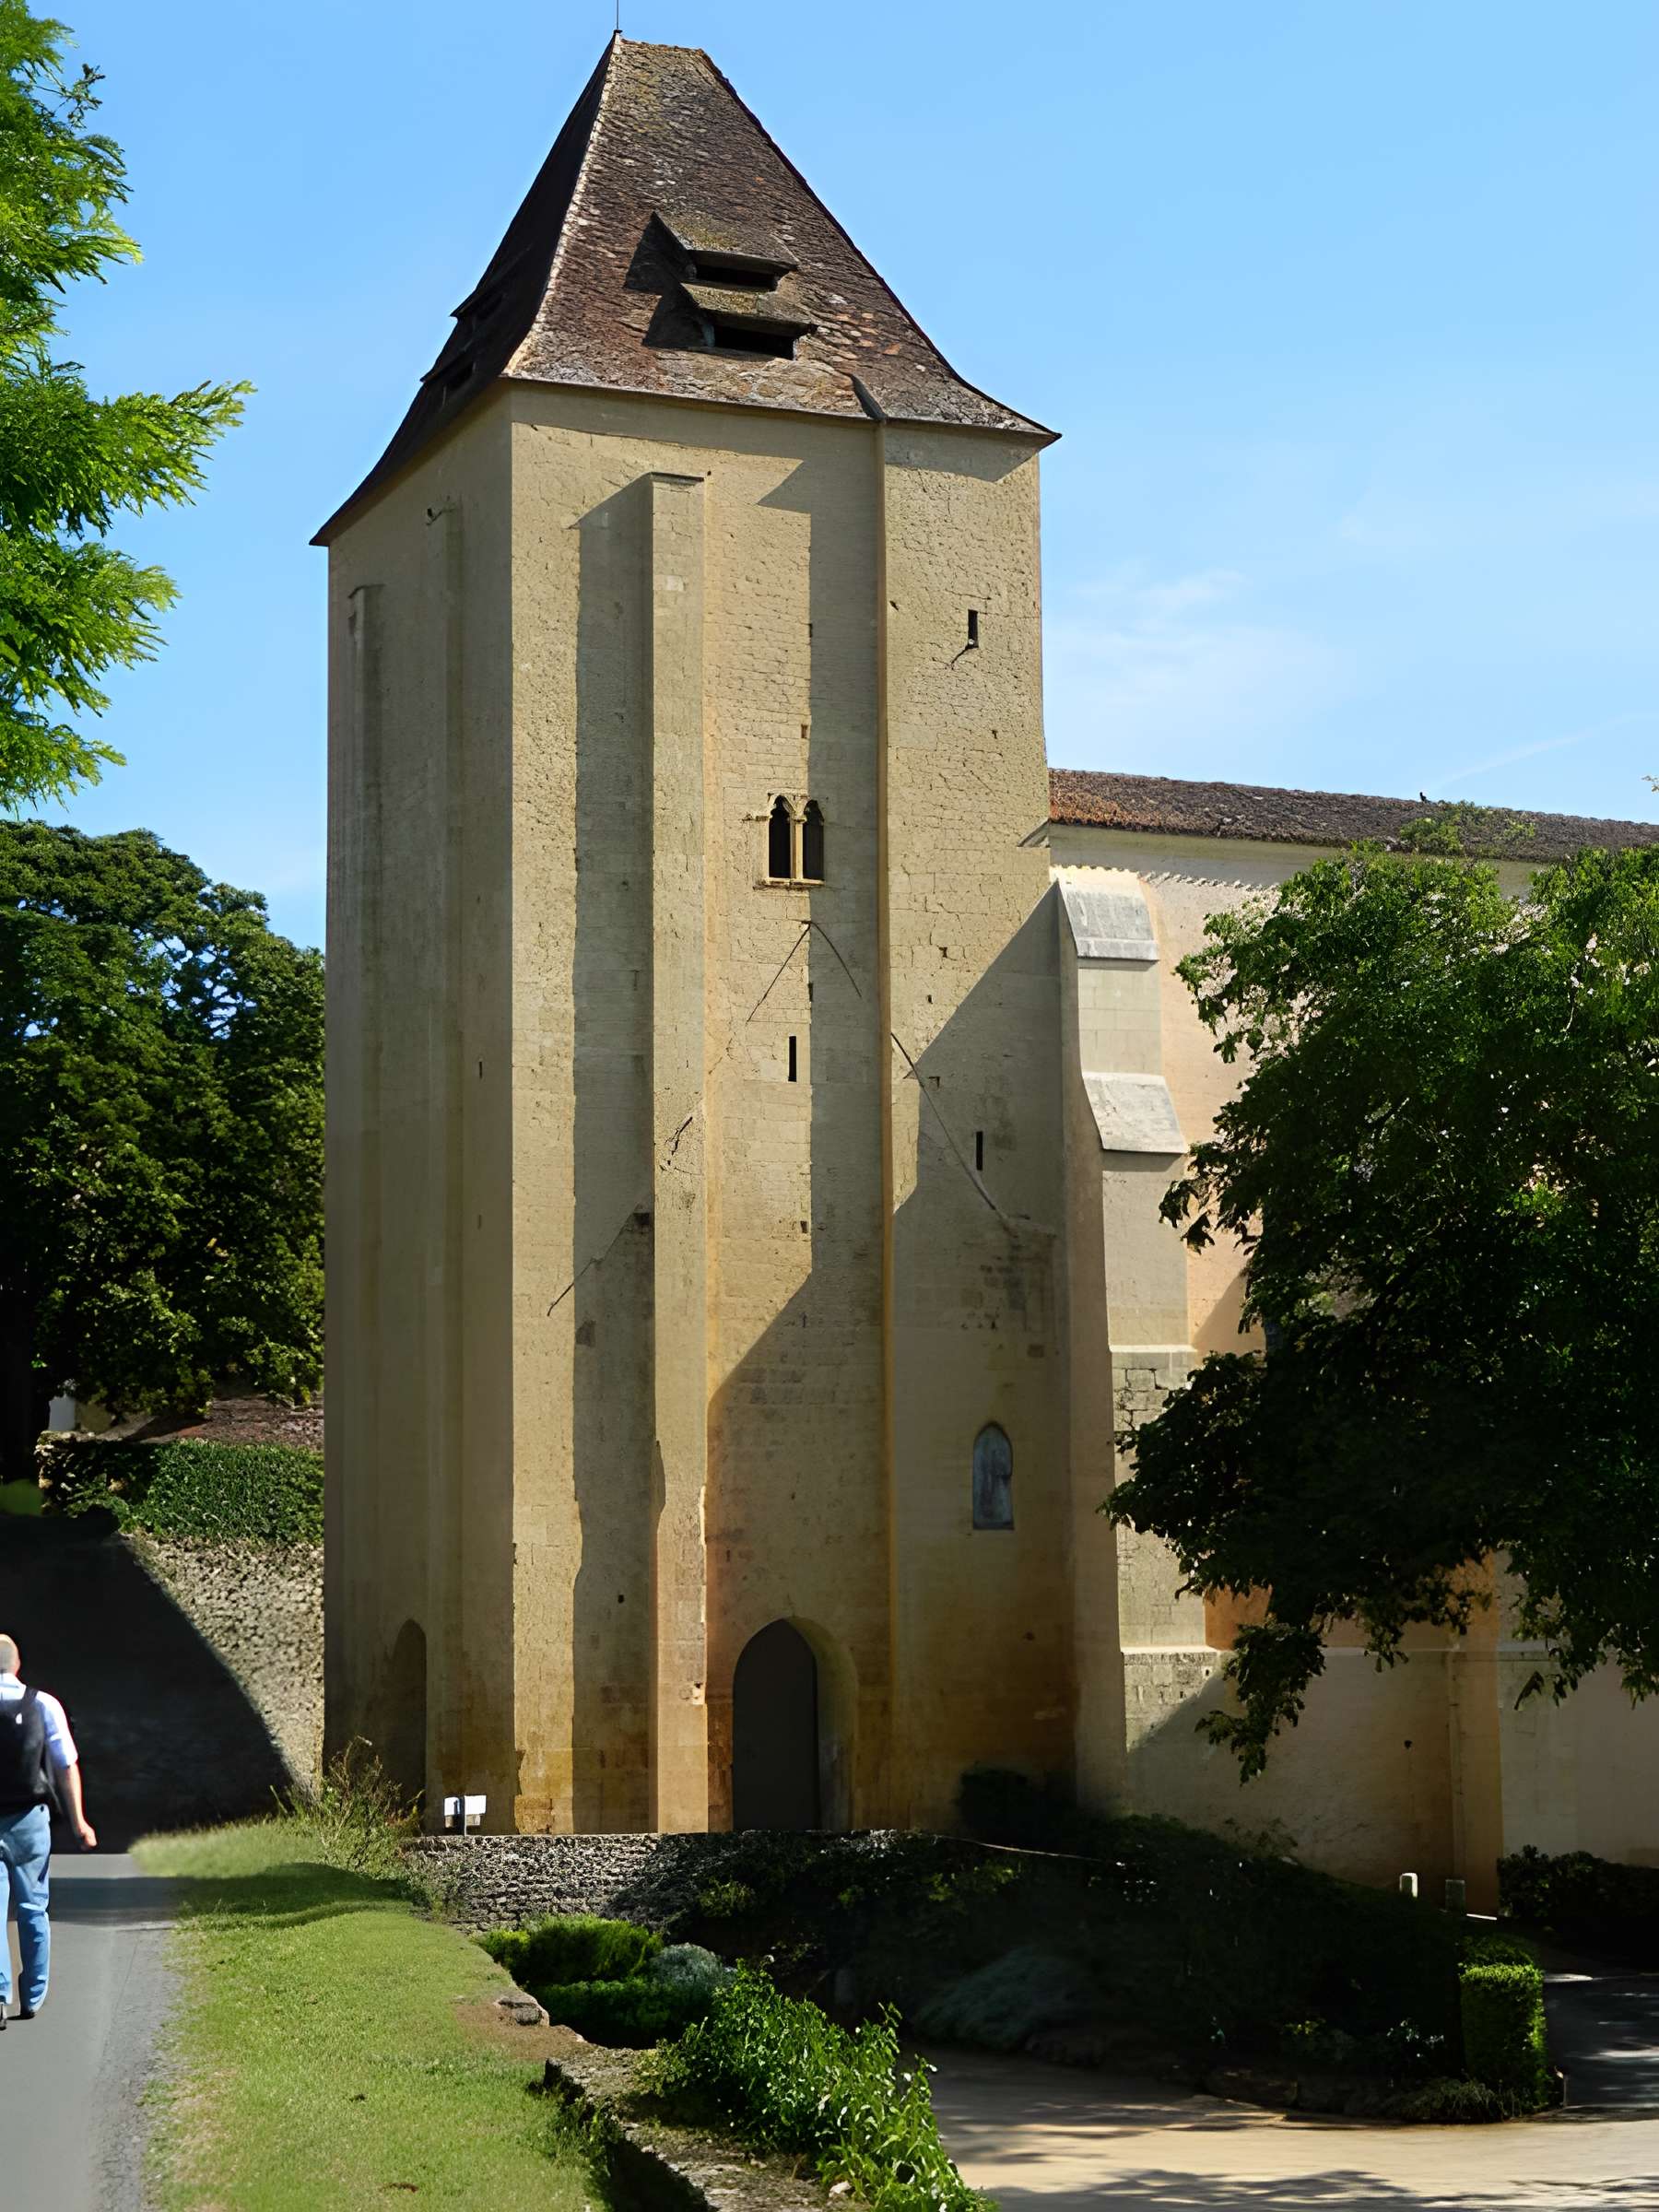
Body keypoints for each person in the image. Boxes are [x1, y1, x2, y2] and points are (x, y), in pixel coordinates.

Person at [0, 1632, 96, 2027]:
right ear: (17, 1665)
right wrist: (79, 1822)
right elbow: (64, 1764)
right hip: (29, 1819)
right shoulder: (43, 1704)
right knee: (32, 1906)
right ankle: (33, 1996)